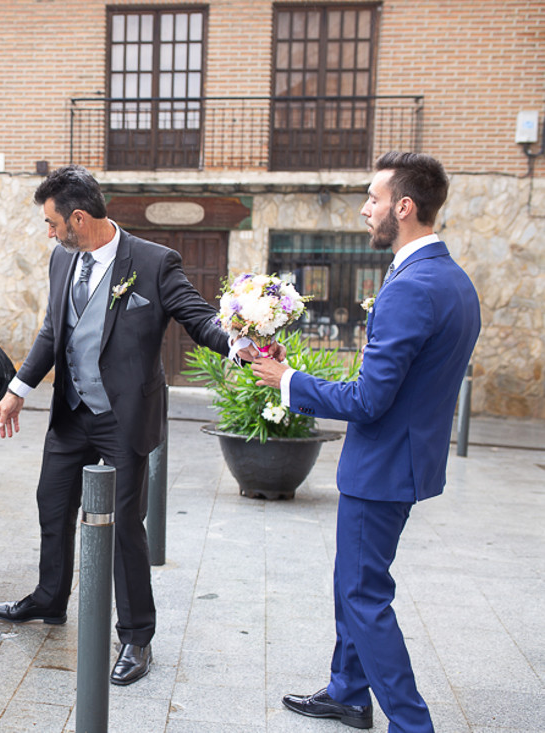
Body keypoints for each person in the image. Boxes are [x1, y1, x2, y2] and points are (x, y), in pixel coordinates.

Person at [0, 165, 254, 686]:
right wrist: (18, 390)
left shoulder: (154, 263)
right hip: (73, 412)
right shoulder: (63, 260)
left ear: (78, 218)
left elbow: (196, 317)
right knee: (52, 503)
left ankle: (136, 635)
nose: (48, 232)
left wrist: (242, 345)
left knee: (124, 527)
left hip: (124, 418)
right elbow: (53, 329)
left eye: (51, 222)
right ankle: (49, 599)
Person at [252, 151, 480, 732]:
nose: (365, 210)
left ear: (404, 207)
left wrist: (291, 382)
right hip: (406, 461)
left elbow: (368, 401)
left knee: (362, 596)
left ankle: (410, 724)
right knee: (352, 582)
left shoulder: (411, 287)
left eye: (374, 200)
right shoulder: (454, 281)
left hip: (381, 468)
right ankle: (349, 692)